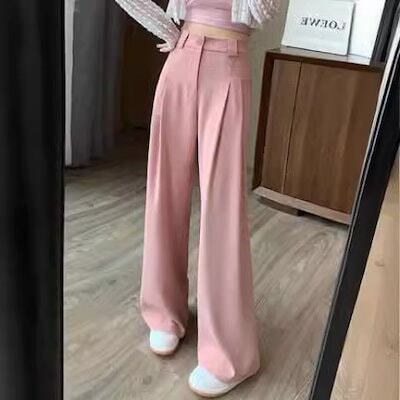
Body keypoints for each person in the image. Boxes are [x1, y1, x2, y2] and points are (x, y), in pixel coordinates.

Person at [114, 0, 279, 397]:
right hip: (181, 58)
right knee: (163, 194)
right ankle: (163, 310)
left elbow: (264, 10)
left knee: (223, 210)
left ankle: (229, 352)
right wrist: (166, 29)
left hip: (229, 63)